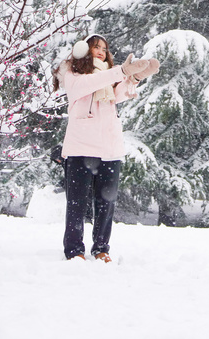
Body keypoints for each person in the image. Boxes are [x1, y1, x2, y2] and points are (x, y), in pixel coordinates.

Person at [52, 34, 160, 261]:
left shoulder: (108, 77)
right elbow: (87, 86)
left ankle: (101, 248)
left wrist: (135, 78)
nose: (101, 51)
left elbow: (117, 96)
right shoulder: (73, 74)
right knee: (76, 204)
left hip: (109, 148)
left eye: (104, 48)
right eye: (95, 47)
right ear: (84, 50)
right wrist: (122, 72)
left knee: (106, 204)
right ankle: (74, 250)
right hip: (80, 148)